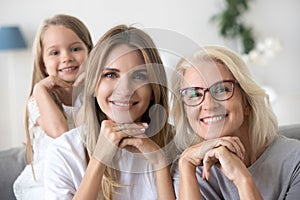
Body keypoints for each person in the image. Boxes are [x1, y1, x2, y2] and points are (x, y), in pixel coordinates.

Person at [44, 25, 175, 200]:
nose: (125, 89)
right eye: (111, 75)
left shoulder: (176, 144)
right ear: (93, 85)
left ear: (154, 89)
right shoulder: (64, 151)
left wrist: (160, 163)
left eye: (139, 76)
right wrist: (99, 159)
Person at [170, 45, 300, 199]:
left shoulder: (294, 161)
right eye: (194, 94)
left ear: (247, 101)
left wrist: (243, 180)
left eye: (221, 89)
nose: (209, 105)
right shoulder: (189, 168)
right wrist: (186, 164)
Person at [13, 14, 93, 199]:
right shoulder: (37, 100)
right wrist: (40, 89)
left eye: (75, 49)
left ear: (90, 52)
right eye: (55, 53)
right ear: (42, 62)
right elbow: (60, 132)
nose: (66, 58)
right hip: (48, 183)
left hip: (85, 178)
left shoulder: (95, 95)